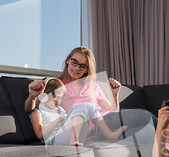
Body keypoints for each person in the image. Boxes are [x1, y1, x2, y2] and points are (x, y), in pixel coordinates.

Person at [24, 46, 154, 142]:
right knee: (144, 122)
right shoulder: (57, 85)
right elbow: (33, 108)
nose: (76, 68)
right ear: (68, 60)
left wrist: (114, 95)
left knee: (146, 126)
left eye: (82, 66)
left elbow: (113, 111)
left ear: (87, 70)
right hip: (88, 130)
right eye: (74, 62)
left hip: (106, 122)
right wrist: (32, 96)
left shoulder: (92, 86)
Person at [30, 78, 128, 146]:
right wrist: (60, 119)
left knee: (89, 106)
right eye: (55, 97)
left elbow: (69, 127)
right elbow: (40, 135)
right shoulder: (38, 112)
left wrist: (85, 139)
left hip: (65, 135)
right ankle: (74, 140)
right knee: (80, 107)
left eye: (60, 98)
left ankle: (110, 135)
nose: (58, 101)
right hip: (54, 140)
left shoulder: (60, 110)